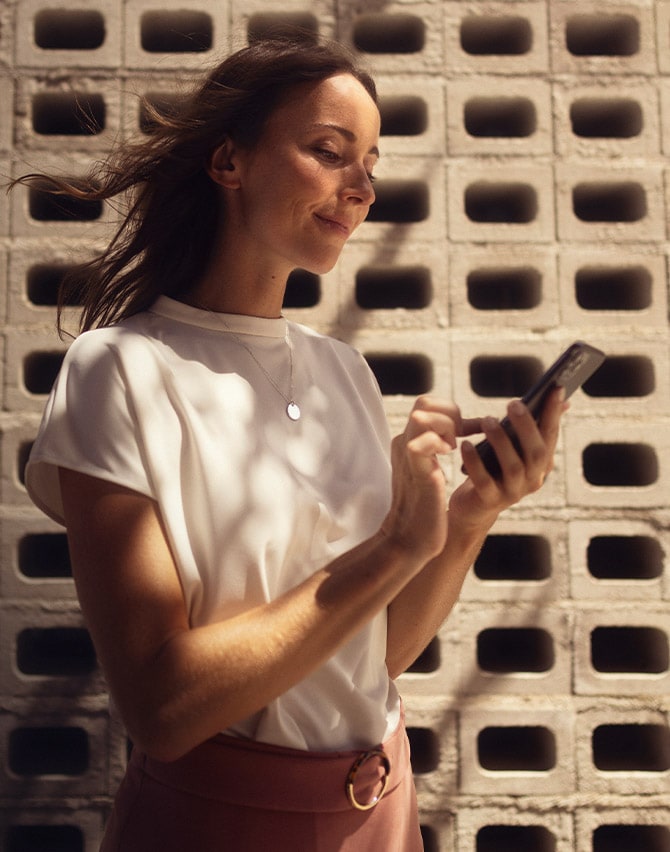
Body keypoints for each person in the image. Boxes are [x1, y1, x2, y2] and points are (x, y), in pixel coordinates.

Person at [19, 36, 566, 851]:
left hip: (384, 815)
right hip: (217, 824)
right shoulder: (120, 370)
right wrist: (392, 548)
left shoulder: (341, 371)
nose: (360, 187)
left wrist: (469, 517)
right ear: (229, 163)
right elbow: (162, 709)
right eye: (328, 151)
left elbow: (372, 658)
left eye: (371, 164)